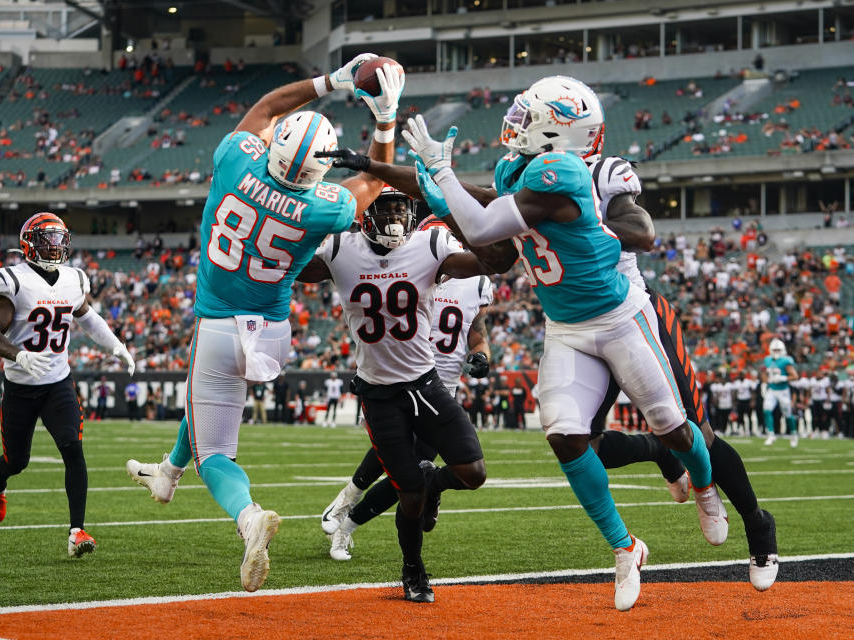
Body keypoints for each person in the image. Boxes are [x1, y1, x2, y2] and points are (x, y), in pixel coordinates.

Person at [384, 76, 724, 611]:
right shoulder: (515, 167)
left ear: (557, 129)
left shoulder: (560, 170)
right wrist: (428, 180)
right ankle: (625, 547)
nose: (516, 121)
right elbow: (489, 241)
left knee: (673, 428)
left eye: (528, 113)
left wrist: (441, 173)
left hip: (618, 317)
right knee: (566, 437)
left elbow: (485, 221)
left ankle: (706, 491)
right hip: (565, 327)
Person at [123, 53, 404, 592]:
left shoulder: (235, 158)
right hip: (272, 332)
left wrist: (335, 79)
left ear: (274, 146)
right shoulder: (323, 206)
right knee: (207, 409)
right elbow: (371, 184)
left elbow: (268, 105)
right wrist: (385, 119)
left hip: (219, 325)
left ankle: (248, 518)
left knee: (217, 452)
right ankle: (167, 474)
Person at [295, 187, 514, 602]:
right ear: (365, 213)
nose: (397, 214)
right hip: (379, 395)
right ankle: (413, 571)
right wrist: (309, 219)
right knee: (408, 494)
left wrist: (485, 221)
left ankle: (416, 487)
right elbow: (290, 267)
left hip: (426, 385)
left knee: (474, 473)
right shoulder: (342, 246)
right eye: (387, 206)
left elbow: (495, 260)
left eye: (402, 205)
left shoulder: (428, 244)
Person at [579, 144, 778, 593]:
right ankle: (658, 450)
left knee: (698, 432)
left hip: (634, 313)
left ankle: (757, 523)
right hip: (577, 324)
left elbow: (639, 228)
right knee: (578, 445)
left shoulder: (604, 172)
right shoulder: (527, 177)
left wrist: (573, 226)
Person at [320, 215, 494, 563]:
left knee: (414, 474)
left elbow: (477, 331)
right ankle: (346, 504)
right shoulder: (408, 271)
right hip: (399, 382)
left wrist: (481, 355)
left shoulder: (473, 281)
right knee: (402, 466)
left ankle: (348, 520)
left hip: (438, 387)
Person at [0, 212, 136, 558]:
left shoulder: (73, 279)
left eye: (58, 239)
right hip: (20, 386)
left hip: (57, 382)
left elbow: (88, 317)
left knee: (72, 447)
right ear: (28, 244)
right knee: (16, 460)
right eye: (46, 239)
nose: (54, 247)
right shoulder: (13, 281)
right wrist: (19, 355)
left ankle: (77, 530)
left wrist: (116, 345)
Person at [761, 338, 799, 447]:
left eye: (778, 350)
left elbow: (795, 376)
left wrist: (783, 378)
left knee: (788, 414)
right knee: (767, 410)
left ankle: (793, 434)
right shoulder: (767, 360)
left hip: (783, 391)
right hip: (772, 390)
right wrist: (764, 383)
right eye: (775, 350)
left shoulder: (786, 360)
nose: (776, 352)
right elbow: (764, 373)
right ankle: (771, 434)